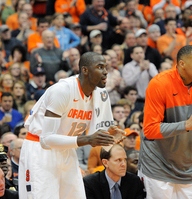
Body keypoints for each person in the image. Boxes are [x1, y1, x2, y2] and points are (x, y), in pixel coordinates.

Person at [18, 52, 125, 199]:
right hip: (40, 149)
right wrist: (86, 140)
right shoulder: (62, 90)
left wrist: (110, 137)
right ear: (85, 70)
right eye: (100, 67)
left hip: (68, 147)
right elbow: (46, 140)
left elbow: (98, 139)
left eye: (106, 67)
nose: (106, 72)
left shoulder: (101, 94)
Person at [139, 45, 192, 199]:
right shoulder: (159, 83)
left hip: (188, 166)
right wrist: (186, 125)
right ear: (182, 64)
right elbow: (150, 130)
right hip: (157, 166)